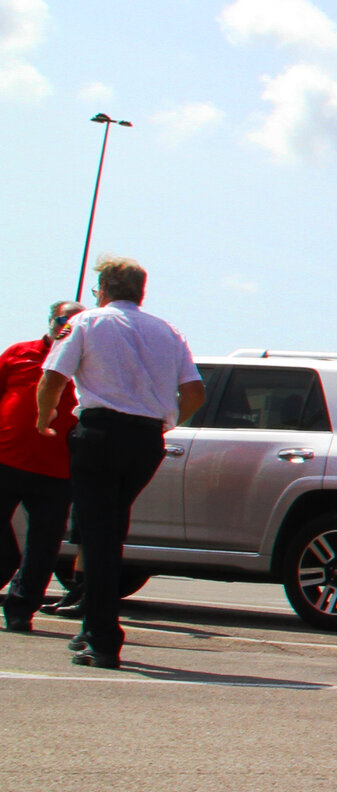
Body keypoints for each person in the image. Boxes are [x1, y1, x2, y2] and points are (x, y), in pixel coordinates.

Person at [33, 259, 203, 668]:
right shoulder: (168, 331)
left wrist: (43, 420)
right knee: (110, 530)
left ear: (104, 288)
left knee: (98, 536)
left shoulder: (88, 323)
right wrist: (164, 423)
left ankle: (104, 637)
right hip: (146, 440)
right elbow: (194, 392)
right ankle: (93, 628)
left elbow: (53, 377)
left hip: (101, 435)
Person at [1, 302, 81, 632]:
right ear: (51, 321)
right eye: (63, 320)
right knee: (7, 552)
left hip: (56, 470)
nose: (68, 326)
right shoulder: (20, 353)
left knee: (44, 543)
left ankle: (22, 607)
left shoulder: (86, 364)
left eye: (76, 322)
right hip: (6, 460)